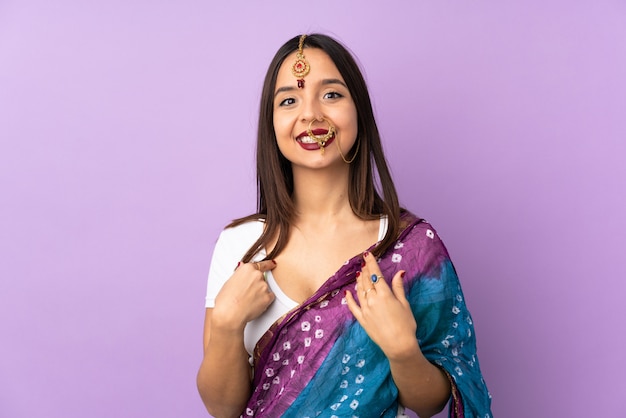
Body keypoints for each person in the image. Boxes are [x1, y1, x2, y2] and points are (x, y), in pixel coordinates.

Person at [196, 34, 492, 418]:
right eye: (289, 100)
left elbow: (432, 400)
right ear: (271, 125)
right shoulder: (240, 244)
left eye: (331, 95)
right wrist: (224, 325)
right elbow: (222, 408)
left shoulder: (408, 246)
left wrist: (403, 350)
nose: (311, 115)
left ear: (359, 112)